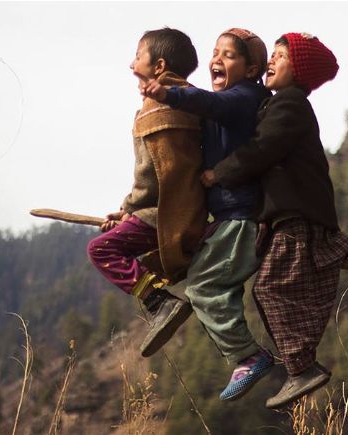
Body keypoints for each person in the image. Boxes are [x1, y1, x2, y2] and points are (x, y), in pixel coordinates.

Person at [201, 32, 348, 408]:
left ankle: (302, 369)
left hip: (298, 219)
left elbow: (260, 151)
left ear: (298, 70)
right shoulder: (276, 104)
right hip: (285, 220)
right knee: (267, 289)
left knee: (271, 288)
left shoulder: (290, 105)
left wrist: (217, 174)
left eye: (281, 56)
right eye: (271, 55)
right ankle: (298, 367)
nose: (272, 61)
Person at [142, 28, 274, 401]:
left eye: (228, 55)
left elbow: (210, 104)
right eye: (215, 52)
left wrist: (168, 94)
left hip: (240, 218)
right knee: (208, 281)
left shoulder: (244, 97)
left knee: (204, 286)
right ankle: (244, 354)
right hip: (229, 217)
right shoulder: (230, 101)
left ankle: (248, 355)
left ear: (250, 70)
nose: (217, 60)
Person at [87, 28, 206, 358]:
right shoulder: (193, 100)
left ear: (159, 65)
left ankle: (159, 301)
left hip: (164, 215)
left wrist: (129, 208)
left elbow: (153, 175)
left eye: (138, 56)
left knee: (102, 250)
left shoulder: (157, 108)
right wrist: (128, 213)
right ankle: (160, 297)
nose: (131, 63)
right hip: (191, 210)